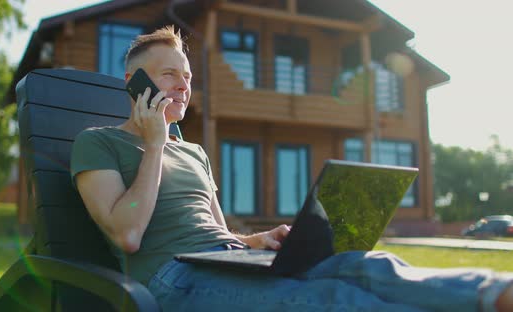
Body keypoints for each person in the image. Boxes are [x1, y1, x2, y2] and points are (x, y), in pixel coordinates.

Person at [71, 25, 513, 312]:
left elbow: (217, 235)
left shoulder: (196, 153)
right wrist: (154, 145)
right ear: (137, 85)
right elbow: (127, 236)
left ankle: (493, 293)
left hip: (226, 260)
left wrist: (257, 240)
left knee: (363, 265)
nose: (184, 85)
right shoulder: (99, 143)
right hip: (169, 279)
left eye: (187, 76)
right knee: (329, 300)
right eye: (169, 75)